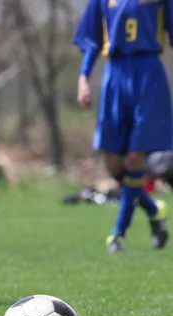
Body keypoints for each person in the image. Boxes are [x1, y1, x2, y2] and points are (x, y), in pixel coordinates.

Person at [74, 0, 173, 252]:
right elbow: (93, 39)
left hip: (148, 74)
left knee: (134, 158)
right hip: (115, 75)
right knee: (113, 162)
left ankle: (117, 235)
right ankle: (153, 209)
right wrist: (83, 77)